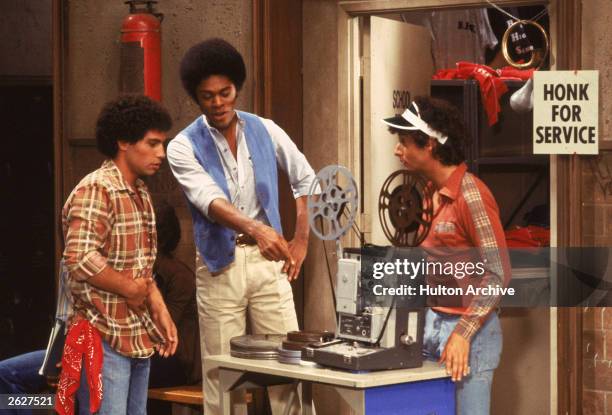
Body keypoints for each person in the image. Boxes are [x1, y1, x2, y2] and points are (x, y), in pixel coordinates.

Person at [167, 38, 318, 414]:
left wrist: (301, 241)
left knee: (289, 366)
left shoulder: (265, 129)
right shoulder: (182, 146)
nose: (218, 103)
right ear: (195, 98)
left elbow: (306, 181)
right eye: (207, 96)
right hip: (221, 265)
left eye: (225, 92)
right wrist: (260, 231)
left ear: (237, 88)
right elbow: (209, 200)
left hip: (269, 265)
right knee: (223, 373)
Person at [382, 96, 511, 415]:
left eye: (405, 142)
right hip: (431, 325)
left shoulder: (472, 196)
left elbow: (498, 274)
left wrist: (462, 335)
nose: (398, 151)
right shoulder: (427, 194)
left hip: (470, 332)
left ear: (429, 145)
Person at [57, 95, 178, 415]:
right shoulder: (98, 188)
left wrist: (159, 308)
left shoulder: (139, 192)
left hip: (137, 333)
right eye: (152, 144)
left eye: (161, 144)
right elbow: (79, 256)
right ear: (123, 141)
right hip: (102, 333)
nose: (160, 153)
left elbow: (142, 268)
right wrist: (128, 287)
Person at [149, 200, 201, 389]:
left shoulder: (179, 275)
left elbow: (164, 333)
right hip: (153, 352)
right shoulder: (147, 269)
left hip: (176, 359)